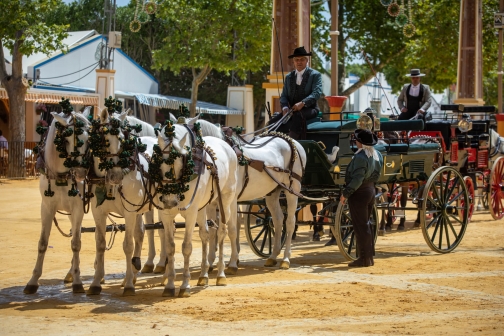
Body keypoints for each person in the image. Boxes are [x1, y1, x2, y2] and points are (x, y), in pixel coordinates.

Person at [340, 128, 383, 267]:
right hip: (370, 190)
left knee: (361, 227)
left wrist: (346, 193)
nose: (356, 142)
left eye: (357, 140)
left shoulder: (360, 157)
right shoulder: (377, 155)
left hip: (359, 193)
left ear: (360, 142)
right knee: (366, 225)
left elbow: (357, 179)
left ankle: (364, 259)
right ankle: (368, 258)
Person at [268, 46, 322, 140]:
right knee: (272, 123)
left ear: (306, 60)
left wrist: (303, 103)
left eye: (302, 59)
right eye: (296, 60)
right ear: (293, 62)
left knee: (298, 116)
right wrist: (285, 107)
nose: (299, 62)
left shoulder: (315, 75)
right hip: (291, 111)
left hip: (310, 109)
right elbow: (284, 95)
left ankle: (291, 144)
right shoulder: (289, 77)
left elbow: (316, 93)